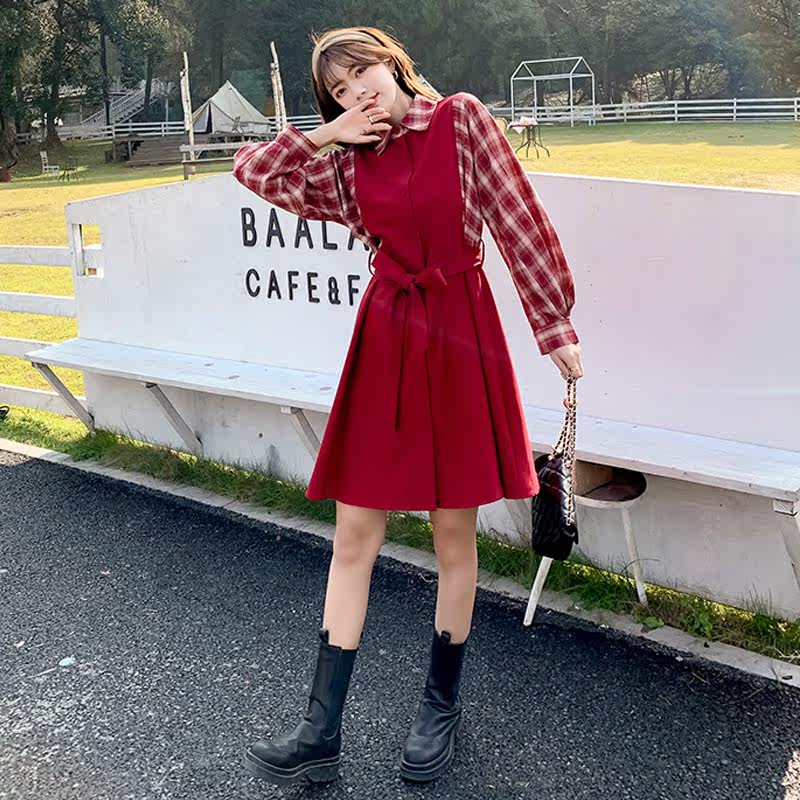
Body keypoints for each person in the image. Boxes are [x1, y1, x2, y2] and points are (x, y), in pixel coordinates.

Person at [232, 25, 584, 786]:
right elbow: (252, 170)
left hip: (460, 333)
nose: (355, 90)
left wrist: (553, 323)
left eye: (362, 71)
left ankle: (439, 706)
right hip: (388, 337)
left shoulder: (460, 120)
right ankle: (319, 728)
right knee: (354, 531)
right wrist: (326, 135)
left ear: (392, 64)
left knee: (452, 534)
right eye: (337, 88)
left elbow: (519, 220)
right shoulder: (345, 164)